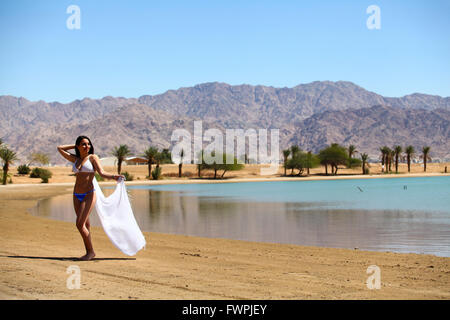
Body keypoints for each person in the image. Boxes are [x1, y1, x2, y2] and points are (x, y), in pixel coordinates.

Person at [57, 136, 124, 261]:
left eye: (88, 144)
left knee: (79, 224)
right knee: (85, 225)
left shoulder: (93, 158)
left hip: (89, 194)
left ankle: (91, 252)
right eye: (83, 144)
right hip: (76, 195)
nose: (87, 146)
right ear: (78, 146)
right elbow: (59, 148)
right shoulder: (75, 159)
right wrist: (75, 145)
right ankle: (88, 251)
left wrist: (115, 177)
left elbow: (102, 173)